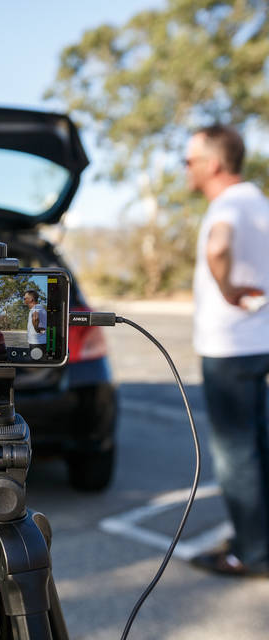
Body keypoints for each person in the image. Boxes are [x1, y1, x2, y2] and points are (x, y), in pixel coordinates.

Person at [185, 124, 269, 576]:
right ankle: (260, 539)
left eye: (189, 161)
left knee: (237, 454)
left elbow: (219, 247)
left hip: (231, 346)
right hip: (261, 341)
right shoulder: (260, 201)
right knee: (260, 444)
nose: (186, 169)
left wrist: (229, 288)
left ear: (212, 164)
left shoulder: (230, 204)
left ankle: (250, 553)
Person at [23, 290, 47, 357]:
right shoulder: (40, 307)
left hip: (37, 343)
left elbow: (35, 318)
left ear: (31, 299)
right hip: (40, 342)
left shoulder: (35, 308)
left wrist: (37, 330)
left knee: (36, 364)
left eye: (25, 298)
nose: (24, 300)